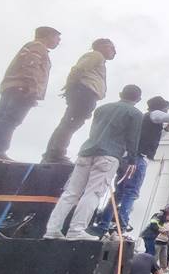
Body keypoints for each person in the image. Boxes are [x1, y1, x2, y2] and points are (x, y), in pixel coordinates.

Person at [43, 85, 143, 240]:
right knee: (93, 193)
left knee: (71, 192)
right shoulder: (135, 114)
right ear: (138, 99)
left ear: (120, 93)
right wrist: (132, 159)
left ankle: (52, 229)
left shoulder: (102, 109)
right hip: (109, 155)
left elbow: (94, 131)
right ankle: (76, 230)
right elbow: (132, 138)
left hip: (86, 152)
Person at [95, 96, 169, 237]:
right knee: (131, 192)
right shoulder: (154, 114)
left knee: (120, 193)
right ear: (160, 107)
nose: (166, 111)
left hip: (128, 158)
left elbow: (155, 136)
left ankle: (104, 224)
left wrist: (168, 128)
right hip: (137, 159)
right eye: (166, 108)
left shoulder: (146, 120)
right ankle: (121, 226)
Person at [0, 26, 61, 161]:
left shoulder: (32, 46)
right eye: (57, 38)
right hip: (23, 88)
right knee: (11, 119)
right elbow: (31, 65)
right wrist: (32, 87)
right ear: (48, 36)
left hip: (13, 86)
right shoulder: (38, 47)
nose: (58, 42)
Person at [43, 39, 116, 164]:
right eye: (112, 48)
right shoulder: (96, 55)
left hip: (86, 93)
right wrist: (70, 87)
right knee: (70, 123)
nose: (114, 52)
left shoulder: (99, 59)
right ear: (102, 47)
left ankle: (54, 152)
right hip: (84, 92)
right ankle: (56, 153)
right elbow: (78, 70)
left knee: (71, 122)